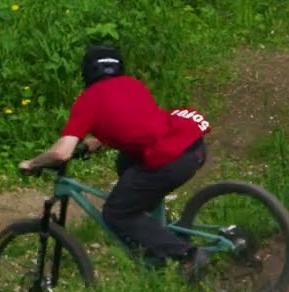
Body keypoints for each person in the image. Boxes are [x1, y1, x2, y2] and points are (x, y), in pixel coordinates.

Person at [18, 44, 211, 276]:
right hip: (194, 147)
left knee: (117, 212)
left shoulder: (88, 100)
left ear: (87, 71)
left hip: (170, 162)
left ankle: (186, 253)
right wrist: (92, 145)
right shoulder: (132, 84)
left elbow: (61, 153)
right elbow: (133, 124)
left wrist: (33, 163)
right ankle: (154, 229)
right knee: (126, 162)